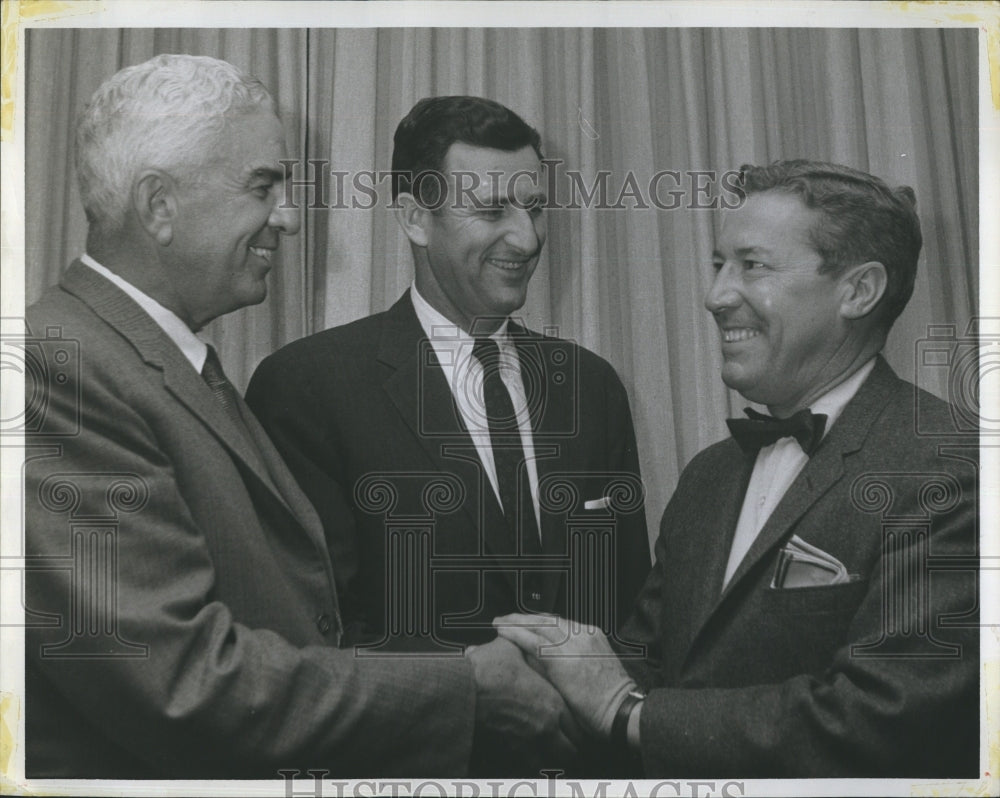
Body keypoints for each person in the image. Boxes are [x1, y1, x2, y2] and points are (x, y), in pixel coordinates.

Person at [24, 54, 576, 779]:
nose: (287, 217)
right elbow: (182, 685)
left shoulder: (167, 363)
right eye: (263, 186)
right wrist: (465, 689)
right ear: (158, 205)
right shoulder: (57, 369)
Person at [496, 160, 980, 777]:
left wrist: (629, 715)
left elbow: (885, 719)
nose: (716, 296)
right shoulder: (709, 476)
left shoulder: (954, 466)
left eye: (752, 265)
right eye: (719, 265)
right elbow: (644, 664)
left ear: (859, 291)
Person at [247, 96, 651, 653]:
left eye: (534, 208)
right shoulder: (308, 389)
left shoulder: (591, 386)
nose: (528, 240)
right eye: (491, 212)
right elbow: (316, 636)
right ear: (416, 218)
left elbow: (635, 617)